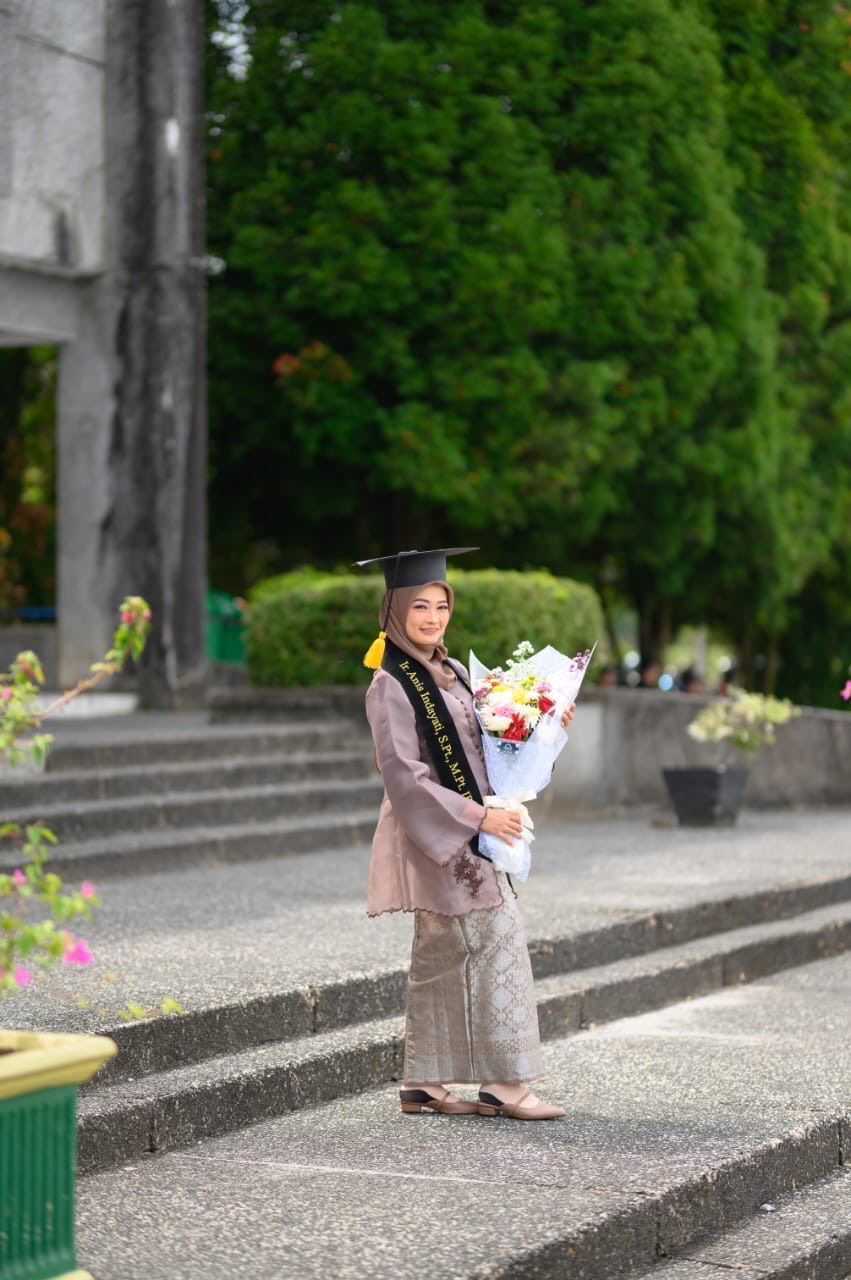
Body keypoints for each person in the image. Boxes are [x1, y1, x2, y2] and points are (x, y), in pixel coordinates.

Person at [354, 547, 576, 1121]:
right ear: (394, 609)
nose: (433, 617)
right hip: (443, 836)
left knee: (440, 955)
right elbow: (403, 775)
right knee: (500, 943)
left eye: (441, 606)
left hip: (469, 827)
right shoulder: (390, 684)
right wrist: (479, 818)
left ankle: (423, 1082)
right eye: (419, 606)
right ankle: (505, 1084)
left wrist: (543, 727)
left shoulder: (451, 671)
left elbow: (487, 746)